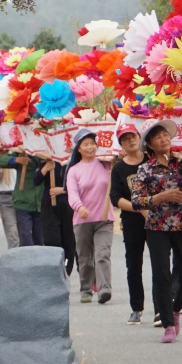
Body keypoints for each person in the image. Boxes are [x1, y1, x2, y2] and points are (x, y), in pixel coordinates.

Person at [129, 119, 182, 344]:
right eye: (157, 137)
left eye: (165, 135)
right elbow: (136, 202)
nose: (163, 139)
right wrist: (161, 197)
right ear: (150, 145)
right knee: (161, 276)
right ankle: (168, 324)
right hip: (157, 228)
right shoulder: (145, 169)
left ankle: (174, 309)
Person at [66, 129, 115, 305]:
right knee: (85, 258)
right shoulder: (74, 171)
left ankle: (104, 289)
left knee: (102, 254)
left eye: (92, 143)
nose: (90, 147)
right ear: (78, 148)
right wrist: (79, 207)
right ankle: (86, 289)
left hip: (104, 219)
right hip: (82, 220)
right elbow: (72, 194)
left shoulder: (106, 164)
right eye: (85, 144)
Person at [109, 123, 149, 324]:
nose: (131, 141)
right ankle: (136, 307)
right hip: (132, 222)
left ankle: (163, 307)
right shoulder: (119, 168)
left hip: (156, 219)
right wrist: (138, 208)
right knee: (134, 264)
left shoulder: (152, 160)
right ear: (121, 144)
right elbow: (115, 197)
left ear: (140, 137)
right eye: (125, 139)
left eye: (133, 136)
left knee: (161, 263)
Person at [1, 152, 46, 246]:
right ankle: (26, 259)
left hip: (41, 204)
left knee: (40, 240)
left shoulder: (44, 155)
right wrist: (17, 160)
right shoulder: (21, 153)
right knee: (25, 237)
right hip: (23, 203)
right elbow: (1, 160)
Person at [0, 151, 20, 249]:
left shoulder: (20, 152)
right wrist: (0, 160)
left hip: (21, 196)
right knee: (12, 232)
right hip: (5, 197)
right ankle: (14, 259)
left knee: (23, 232)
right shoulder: (0, 155)